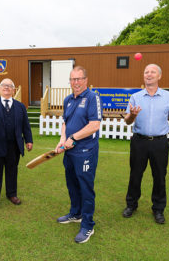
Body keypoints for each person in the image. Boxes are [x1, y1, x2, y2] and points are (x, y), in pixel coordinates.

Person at [122, 63, 169, 224]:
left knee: (160, 176)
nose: (149, 74)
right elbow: (127, 122)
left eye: (152, 72)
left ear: (159, 76)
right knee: (135, 175)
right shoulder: (136, 97)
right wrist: (132, 116)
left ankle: (158, 209)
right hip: (139, 141)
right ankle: (131, 205)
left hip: (160, 143)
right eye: (146, 72)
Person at [54, 66, 102, 244]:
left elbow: (94, 125)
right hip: (69, 152)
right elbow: (65, 123)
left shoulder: (92, 97)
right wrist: (62, 139)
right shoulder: (68, 100)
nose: (76, 83)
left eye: (79, 79)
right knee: (72, 184)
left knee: (85, 187)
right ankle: (76, 213)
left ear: (86, 80)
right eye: (73, 79)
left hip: (86, 151)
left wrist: (73, 138)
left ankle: (88, 224)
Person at [0, 78, 33, 211]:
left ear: (13, 90)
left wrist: (29, 140)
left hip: (13, 146)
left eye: (9, 86)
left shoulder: (20, 106)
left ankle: (12, 194)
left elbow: (26, 126)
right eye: (4, 85)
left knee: (12, 171)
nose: (6, 88)